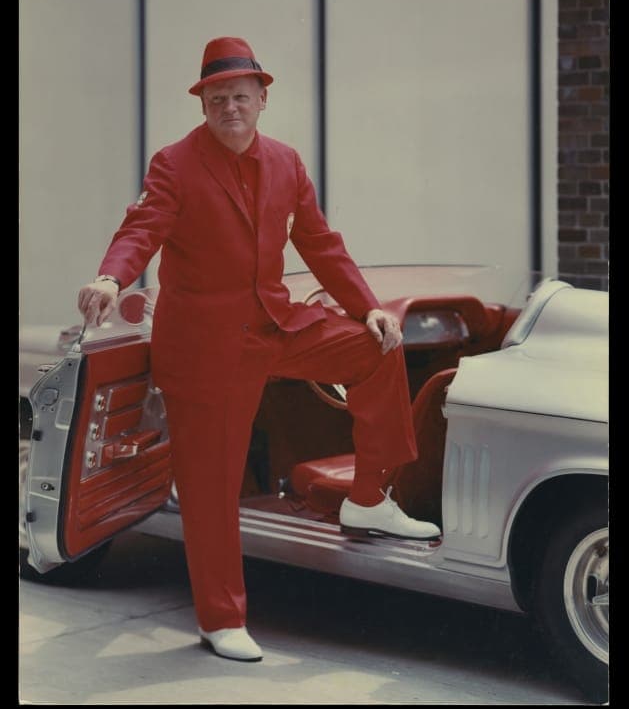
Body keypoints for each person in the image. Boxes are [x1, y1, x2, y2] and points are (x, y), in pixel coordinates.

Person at [78, 37, 441, 663]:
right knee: (210, 487)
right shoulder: (173, 164)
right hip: (206, 348)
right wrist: (112, 278)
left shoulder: (287, 163)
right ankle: (221, 619)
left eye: (240, 97)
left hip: (275, 325)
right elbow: (143, 227)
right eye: (216, 99)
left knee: (376, 349)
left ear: (262, 98)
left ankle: (368, 498)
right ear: (203, 105)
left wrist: (369, 306)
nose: (229, 108)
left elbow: (323, 243)